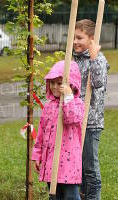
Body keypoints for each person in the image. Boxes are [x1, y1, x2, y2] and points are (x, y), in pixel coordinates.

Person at [31, 60, 85, 200]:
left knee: (71, 196)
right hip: (51, 161)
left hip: (69, 163)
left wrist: (68, 97)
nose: (55, 87)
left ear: (71, 85)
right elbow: (41, 134)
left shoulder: (77, 103)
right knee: (55, 196)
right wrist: (38, 155)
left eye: (59, 83)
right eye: (52, 82)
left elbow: (71, 118)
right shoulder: (49, 107)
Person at [73, 19, 110, 200]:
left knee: (89, 167)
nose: (75, 41)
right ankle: (81, 195)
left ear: (91, 39)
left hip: (91, 121)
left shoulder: (99, 59)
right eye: (73, 37)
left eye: (79, 37)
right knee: (76, 164)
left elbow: (98, 83)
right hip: (74, 119)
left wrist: (94, 58)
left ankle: (93, 197)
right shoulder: (73, 58)